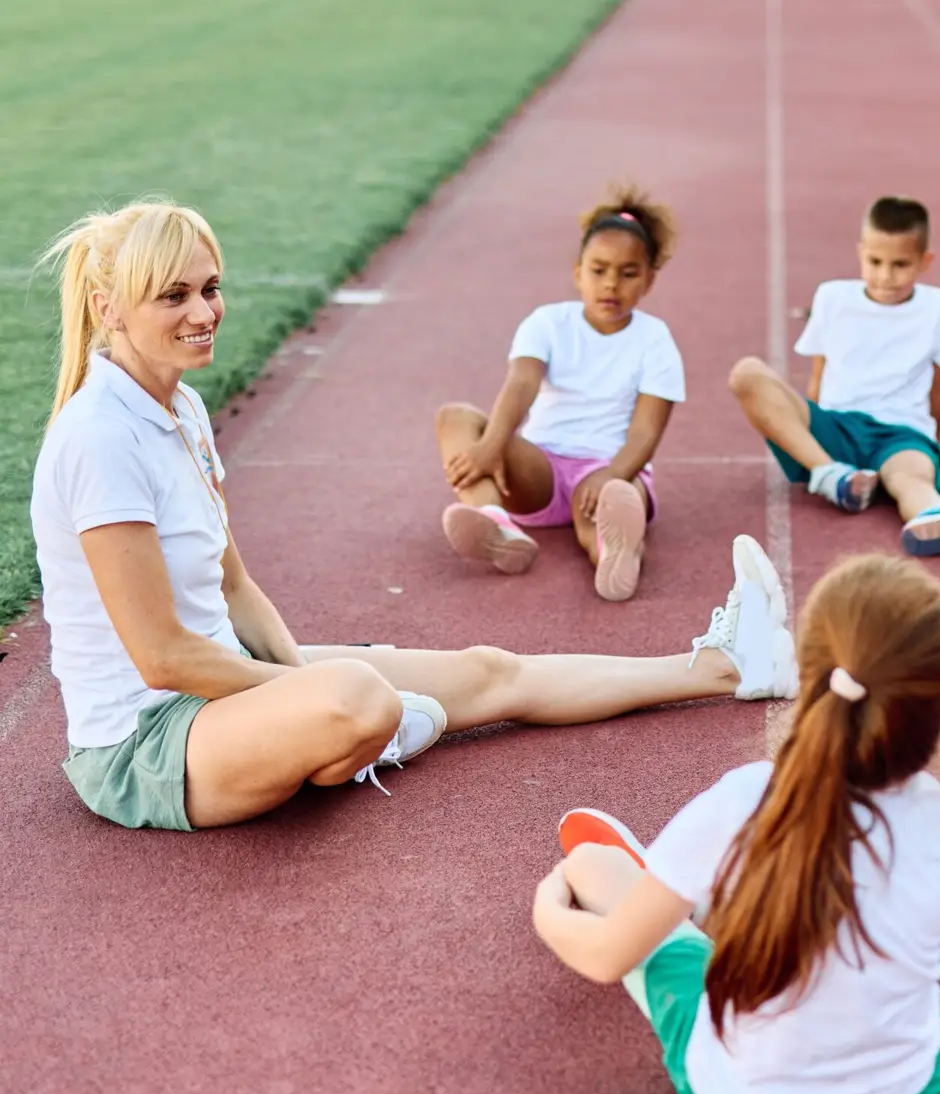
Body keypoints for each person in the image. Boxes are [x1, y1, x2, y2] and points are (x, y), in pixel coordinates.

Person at [31, 200, 794, 832]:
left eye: (211, 287)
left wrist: (296, 677)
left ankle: (726, 667)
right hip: (149, 742)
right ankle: (365, 728)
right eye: (174, 296)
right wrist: (299, 688)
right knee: (354, 692)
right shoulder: (102, 436)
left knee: (489, 672)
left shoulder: (183, 407)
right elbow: (161, 658)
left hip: (226, 680)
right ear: (109, 308)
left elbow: (234, 586)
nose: (205, 312)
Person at [532, 555, 940, 1094]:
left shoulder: (745, 801)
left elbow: (603, 957)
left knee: (592, 866)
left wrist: (548, 904)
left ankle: (686, 900)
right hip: (903, 1084)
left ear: (811, 675)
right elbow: (938, 969)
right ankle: (718, 905)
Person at [434, 186, 684, 601]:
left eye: (628, 273)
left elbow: (645, 432)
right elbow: (521, 384)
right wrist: (491, 447)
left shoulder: (655, 340)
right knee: (455, 418)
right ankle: (495, 523)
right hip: (542, 467)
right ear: (577, 272)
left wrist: (613, 472)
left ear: (649, 280)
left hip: (608, 467)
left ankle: (615, 554)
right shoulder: (548, 323)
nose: (611, 285)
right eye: (599, 269)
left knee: (614, 502)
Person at [727, 196, 940, 557]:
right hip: (836, 429)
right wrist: (809, 426)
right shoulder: (832, 298)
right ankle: (833, 477)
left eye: (900, 264)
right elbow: (818, 376)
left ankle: (934, 519)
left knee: (911, 478)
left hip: (899, 435)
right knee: (746, 373)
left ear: (925, 261)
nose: (885, 276)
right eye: (874, 262)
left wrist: (935, 441)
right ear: (861, 252)